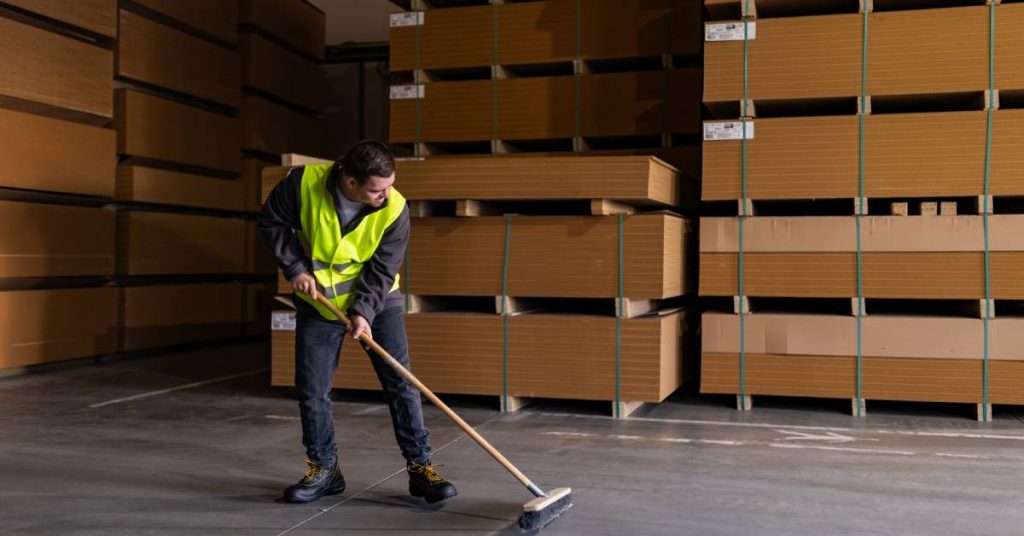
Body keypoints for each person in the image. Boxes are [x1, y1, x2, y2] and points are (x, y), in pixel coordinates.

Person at [257, 140, 457, 504]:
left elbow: (383, 269)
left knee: (401, 384)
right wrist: (296, 268)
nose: (386, 194)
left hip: (379, 303)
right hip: (319, 304)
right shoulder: (302, 184)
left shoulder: (395, 208)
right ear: (350, 182)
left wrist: (363, 312)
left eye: (390, 185)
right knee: (312, 389)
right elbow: (271, 221)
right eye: (377, 189)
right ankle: (324, 469)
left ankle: (421, 469)